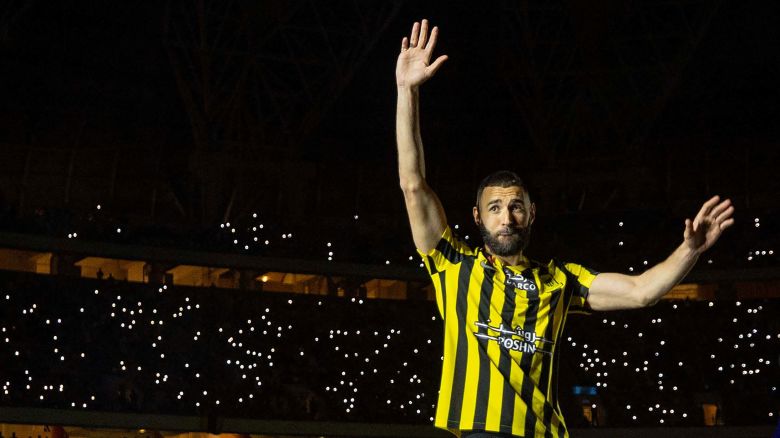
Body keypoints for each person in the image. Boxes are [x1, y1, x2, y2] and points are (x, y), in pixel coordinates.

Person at [395, 19, 735, 438]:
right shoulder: (454, 266)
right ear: (478, 218)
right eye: (496, 207)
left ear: (532, 214)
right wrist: (407, 92)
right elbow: (413, 186)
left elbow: (641, 291)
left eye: (516, 206)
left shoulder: (561, 280)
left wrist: (691, 250)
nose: (507, 216)